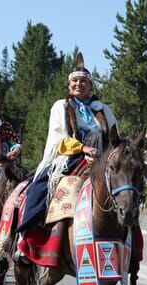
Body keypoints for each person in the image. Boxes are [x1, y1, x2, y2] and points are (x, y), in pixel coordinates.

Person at [15, 53, 127, 264]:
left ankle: (130, 247)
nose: (79, 84)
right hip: (70, 157)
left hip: (102, 160)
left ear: (90, 85)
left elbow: (115, 138)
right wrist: (83, 148)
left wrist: (107, 157)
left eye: (83, 81)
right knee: (40, 187)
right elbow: (59, 139)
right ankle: (27, 238)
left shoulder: (104, 109)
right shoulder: (61, 107)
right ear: (68, 85)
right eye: (74, 81)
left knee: (126, 191)